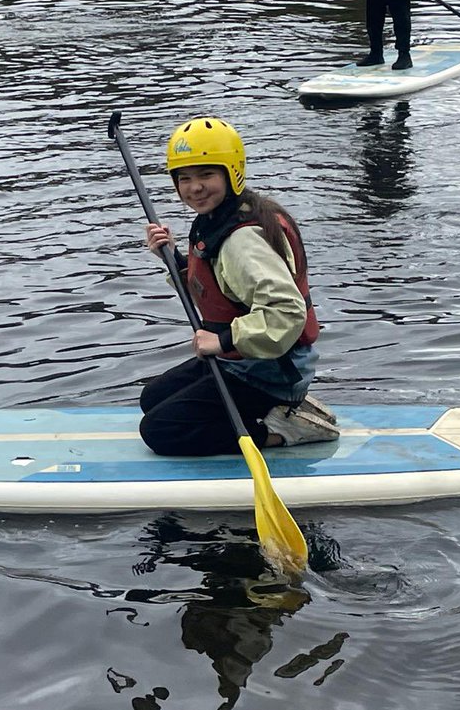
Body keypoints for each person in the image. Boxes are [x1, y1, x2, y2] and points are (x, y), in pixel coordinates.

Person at [139, 117, 339, 458]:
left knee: (160, 430)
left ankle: (281, 429)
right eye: (184, 178)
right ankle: (281, 409)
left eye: (206, 175)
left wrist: (223, 341)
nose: (195, 188)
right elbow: (221, 288)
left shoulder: (243, 239)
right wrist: (172, 257)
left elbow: (285, 311)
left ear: (232, 172)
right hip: (242, 360)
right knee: (152, 399)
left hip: (268, 371)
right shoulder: (220, 218)